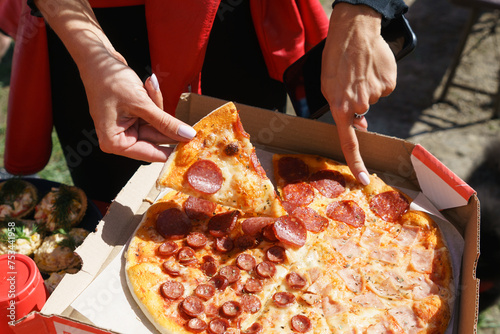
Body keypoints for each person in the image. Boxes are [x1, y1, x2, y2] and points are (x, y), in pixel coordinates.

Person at [4, 0, 407, 204]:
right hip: (97, 26)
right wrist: (95, 56)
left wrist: (361, 12)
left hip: (234, 30)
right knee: (115, 201)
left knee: (255, 187)